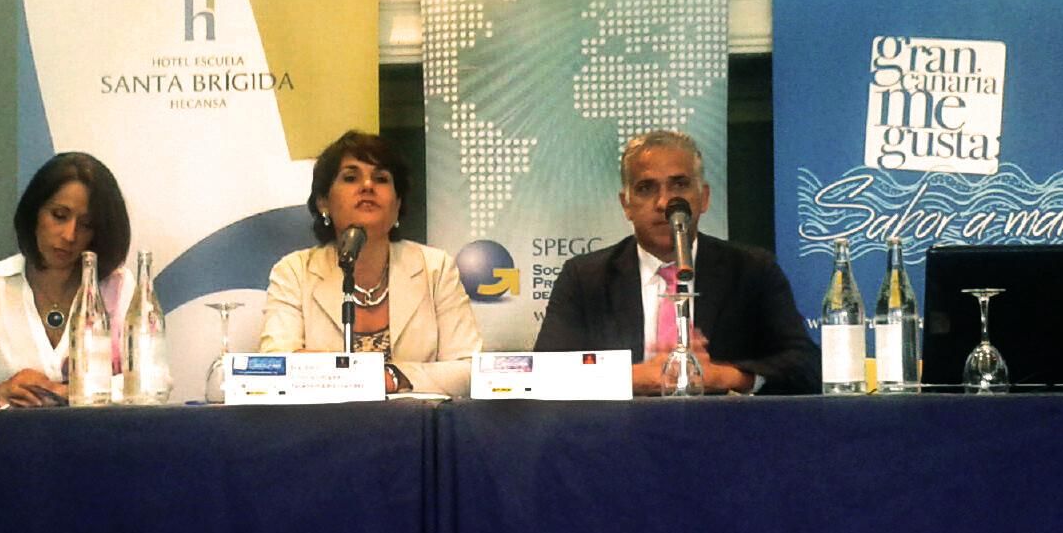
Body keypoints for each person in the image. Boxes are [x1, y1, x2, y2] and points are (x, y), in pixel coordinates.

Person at [534, 129, 819, 395]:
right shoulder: (585, 277)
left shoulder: (752, 270)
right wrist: (635, 377)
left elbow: (806, 366)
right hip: (617, 440)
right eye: (646, 188)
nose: (664, 203)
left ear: (703, 198)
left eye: (679, 185)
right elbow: (542, 373)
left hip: (726, 438)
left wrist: (723, 377)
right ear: (626, 205)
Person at [260, 130, 482, 396]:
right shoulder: (294, 272)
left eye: (381, 178)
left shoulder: (436, 268)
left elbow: (470, 370)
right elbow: (275, 366)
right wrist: (350, 376)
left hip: (416, 430)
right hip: (320, 430)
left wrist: (392, 377)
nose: (367, 186)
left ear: (398, 204)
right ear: (323, 203)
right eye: (351, 177)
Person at [0, 151, 134, 407]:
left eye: (86, 224)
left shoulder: (117, 287)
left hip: (96, 443)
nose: (69, 235)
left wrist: (65, 391)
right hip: (3, 443)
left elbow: (149, 382)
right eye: (59, 216)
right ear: (34, 213)